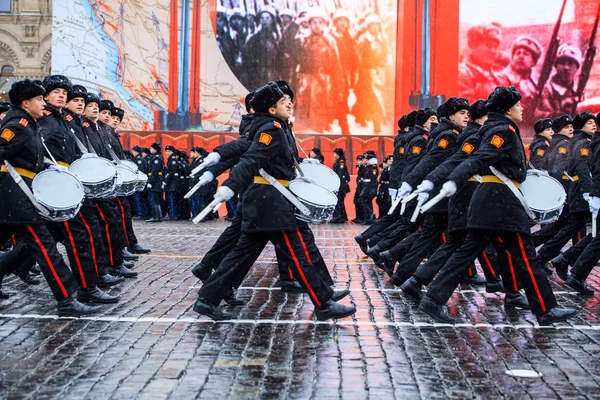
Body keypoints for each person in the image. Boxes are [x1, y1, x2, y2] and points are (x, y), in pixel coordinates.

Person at [193, 82, 355, 321]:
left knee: (241, 255)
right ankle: (323, 303)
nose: (288, 104)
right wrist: (229, 185)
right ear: (271, 109)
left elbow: (244, 147)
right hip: (272, 204)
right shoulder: (272, 129)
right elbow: (250, 158)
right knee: (297, 253)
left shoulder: (271, 126)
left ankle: (207, 299)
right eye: (282, 102)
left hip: (265, 203)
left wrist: (218, 155)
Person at [418, 86, 577, 326]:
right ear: (507, 109)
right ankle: (545, 309)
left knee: (465, 255)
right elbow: (479, 159)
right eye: (518, 105)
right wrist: (452, 179)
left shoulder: (493, 128)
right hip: (501, 205)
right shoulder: (502, 131)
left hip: (489, 203)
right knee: (526, 256)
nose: (522, 108)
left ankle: (434, 299)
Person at [0, 79, 101, 316]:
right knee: (45, 247)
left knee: (39, 244)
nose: (41, 102)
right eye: (38, 99)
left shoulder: (29, 124)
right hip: (15, 197)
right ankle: (66, 300)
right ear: (26, 102)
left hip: (17, 196)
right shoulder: (17, 125)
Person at [458, 25, 503, 102]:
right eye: (489, 45)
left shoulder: (495, 78)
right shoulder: (463, 74)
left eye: (495, 47)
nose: (493, 51)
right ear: (472, 45)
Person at [538, 44, 582, 117]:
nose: (566, 67)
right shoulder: (544, 91)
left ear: (577, 68)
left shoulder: (580, 93)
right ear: (556, 66)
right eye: (562, 62)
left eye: (570, 63)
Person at [146, 142, 164, 222]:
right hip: (157, 181)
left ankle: (156, 217)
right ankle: (158, 216)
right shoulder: (158, 157)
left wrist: (150, 181)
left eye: (151, 148)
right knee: (156, 200)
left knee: (153, 199)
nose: (150, 149)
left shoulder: (156, 158)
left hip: (155, 182)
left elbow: (154, 171)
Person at [331, 147, 350, 223]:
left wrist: (336, 183)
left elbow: (340, 174)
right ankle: (342, 216)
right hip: (339, 184)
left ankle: (338, 216)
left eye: (335, 153)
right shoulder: (337, 162)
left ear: (338, 155)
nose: (333, 155)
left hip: (341, 185)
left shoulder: (341, 162)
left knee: (339, 201)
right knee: (340, 201)